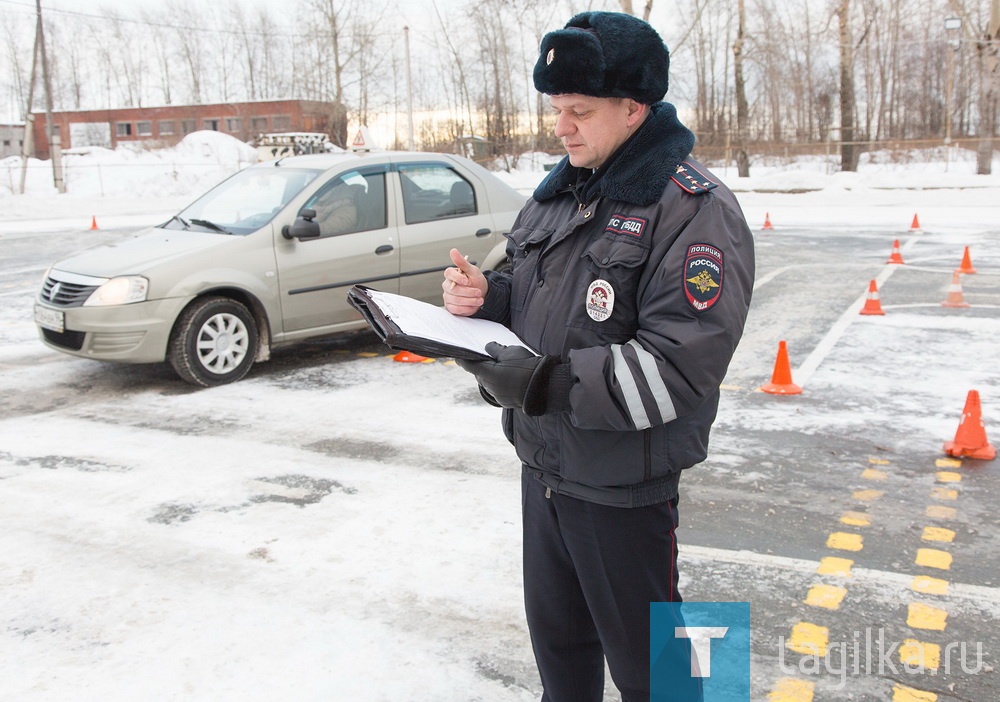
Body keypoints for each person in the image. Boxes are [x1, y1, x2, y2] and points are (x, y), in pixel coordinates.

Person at [442, 11, 755, 702]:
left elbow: (681, 366)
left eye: (579, 111)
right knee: (562, 661)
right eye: (557, 109)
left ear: (635, 107)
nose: (562, 127)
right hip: (545, 470)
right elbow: (533, 298)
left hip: (625, 487)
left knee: (667, 676)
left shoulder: (693, 208)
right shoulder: (559, 195)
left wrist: (546, 382)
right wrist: (485, 298)